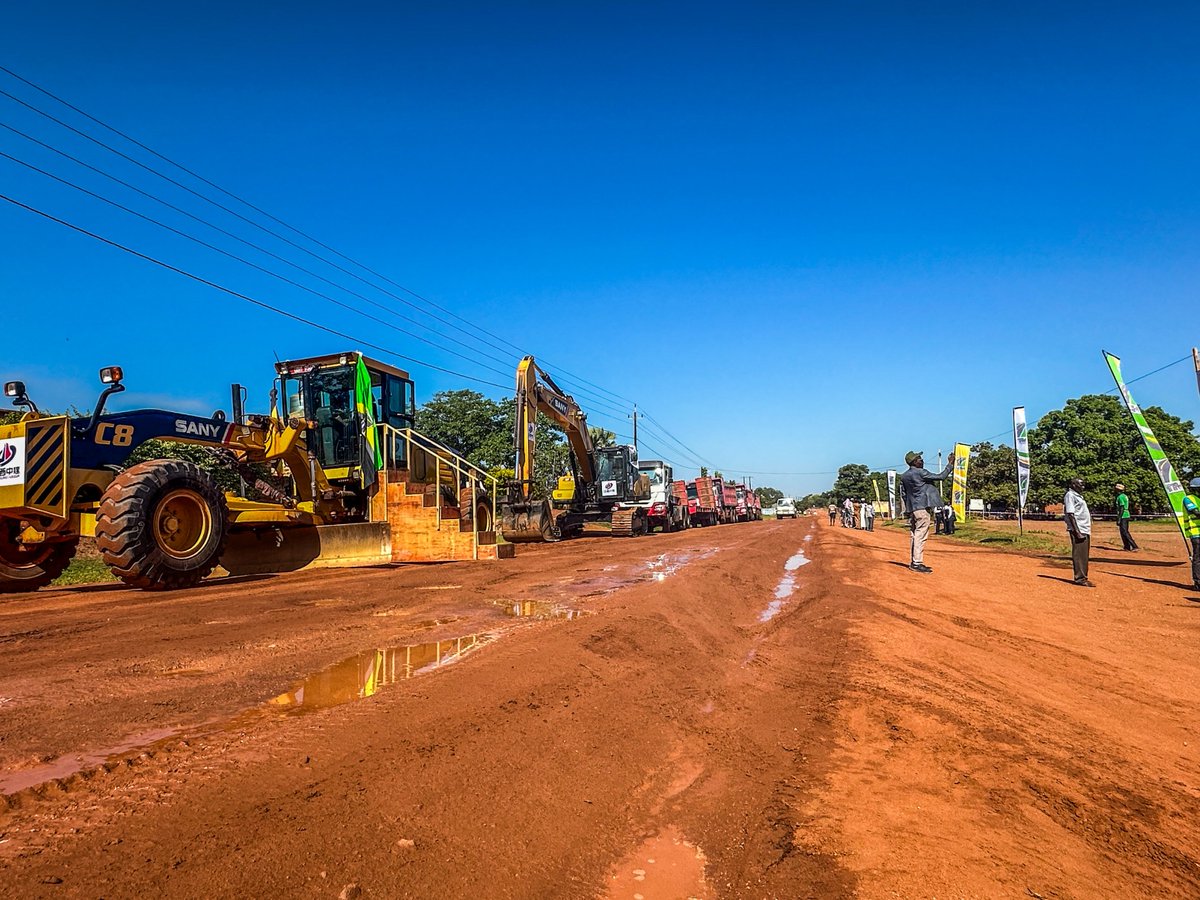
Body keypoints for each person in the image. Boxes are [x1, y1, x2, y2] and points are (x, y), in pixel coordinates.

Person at [900, 450, 954, 573]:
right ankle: (917, 563)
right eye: (920, 459)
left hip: (913, 509)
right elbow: (941, 476)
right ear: (914, 462)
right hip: (922, 508)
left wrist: (909, 510)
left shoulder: (904, 476)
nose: (922, 461)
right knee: (920, 535)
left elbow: (904, 494)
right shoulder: (920, 473)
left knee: (914, 535)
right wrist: (950, 464)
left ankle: (914, 561)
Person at [1064, 478, 1093, 587]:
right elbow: (1070, 514)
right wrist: (1077, 532)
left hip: (1084, 528)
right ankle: (1080, 578)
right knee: (1079, 555)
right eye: (1081, 484)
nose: (1083, 487)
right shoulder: (1070, 495)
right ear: (1073, 485)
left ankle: (1083, 576)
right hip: (1079, 529)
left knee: (1084, 555)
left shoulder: (1077, 496)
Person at [1182, 477, 1200, 590]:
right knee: (1198, 558)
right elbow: (1196, 513)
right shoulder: (1188, 499)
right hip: (1196, 533)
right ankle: (1198, 582)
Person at [1115, 483, 1138, 551]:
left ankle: (1134, 546)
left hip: (1123, 515)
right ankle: (1126, 546)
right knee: (1123, 532)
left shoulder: (1120, 497)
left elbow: (1122, 507)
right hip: (1126, 515)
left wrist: (1119, 518)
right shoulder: (1124, 496)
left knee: (1124, 532)